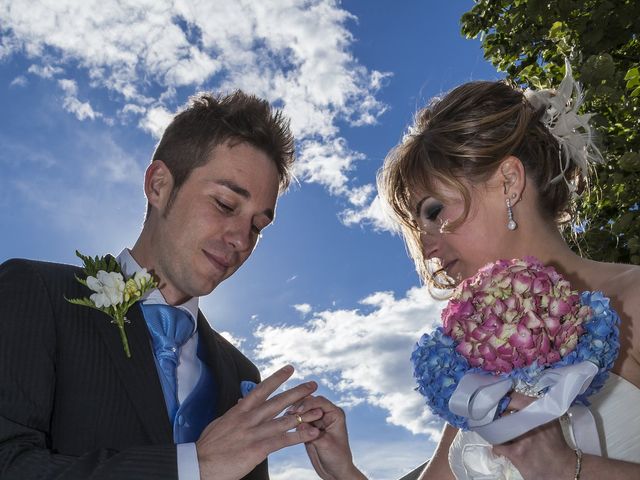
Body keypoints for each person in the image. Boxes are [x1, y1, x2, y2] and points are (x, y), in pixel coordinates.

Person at [296, 73, 640, 479]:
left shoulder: (632, 298)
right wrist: (343, 472)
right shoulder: (476, 359)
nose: (426, 249)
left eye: (434, 212)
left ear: (508, 182)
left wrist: (566, 468)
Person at [0, 90, 325, 480]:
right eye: (224, 204)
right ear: (159, 186)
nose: (242, 239)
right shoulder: (37, 293)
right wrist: (193, 468)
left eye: (258, 226)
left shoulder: (241, 372)